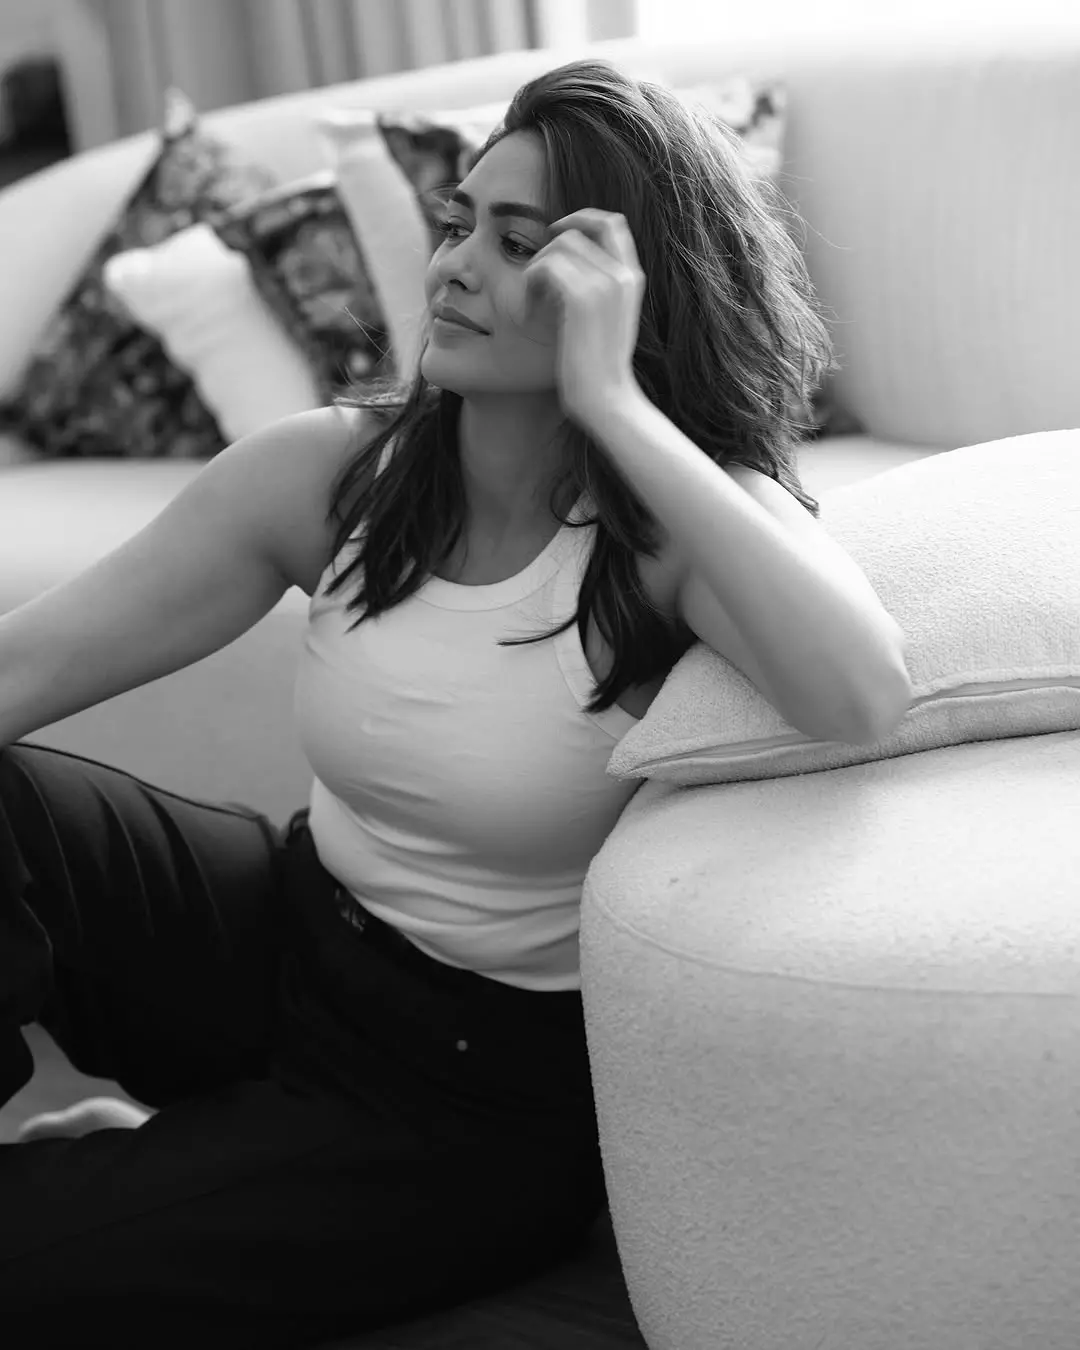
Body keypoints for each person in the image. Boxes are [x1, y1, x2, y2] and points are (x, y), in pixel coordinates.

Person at [0, 59, 911, 1347]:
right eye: (458, 224)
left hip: (462, 1104)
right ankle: (168, 1164)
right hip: (287, 932)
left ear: (629, 294)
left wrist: (612, 403)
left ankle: (157, 1175)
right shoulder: (334, 474)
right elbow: (20, 668)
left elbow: (863, 693)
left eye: (521, 244)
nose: (456, 268)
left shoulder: (669, 531)